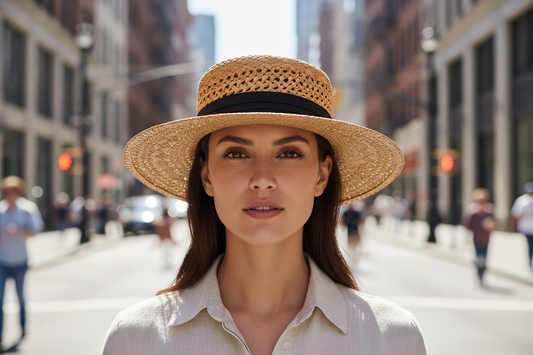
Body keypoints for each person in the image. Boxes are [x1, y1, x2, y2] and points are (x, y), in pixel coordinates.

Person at [102, 55, 426, 354]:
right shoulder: (137, 339)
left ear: (322, 175)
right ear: (206, 175)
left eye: (289, 153)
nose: (262, 179)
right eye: (236, 153)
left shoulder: (392, 339)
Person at [0, 176, 44, 348]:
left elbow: (35, 230)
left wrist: (17, 232)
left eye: (13, 190)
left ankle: (23, 326)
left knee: (20, 297)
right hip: (2, 260)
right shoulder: (1, 209)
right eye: (7, 191)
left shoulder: (27, 209)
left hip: (19, 260)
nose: (9, 194)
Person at [462, 188, 497, 286]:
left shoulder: (489, 211)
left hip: (486, 238)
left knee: (484, 258)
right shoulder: (472, 213)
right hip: (476, 238)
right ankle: (479, 274)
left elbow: (495, 224)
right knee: (478, 258)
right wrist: (466, 238)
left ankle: (482, 275)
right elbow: (467, 226)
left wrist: (491, 225)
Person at [510, 182, 533, 270]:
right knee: (530, 245)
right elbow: (515, 215)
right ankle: (530, 261)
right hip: (526, 228)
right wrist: (513, 228)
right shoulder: (521, 200)